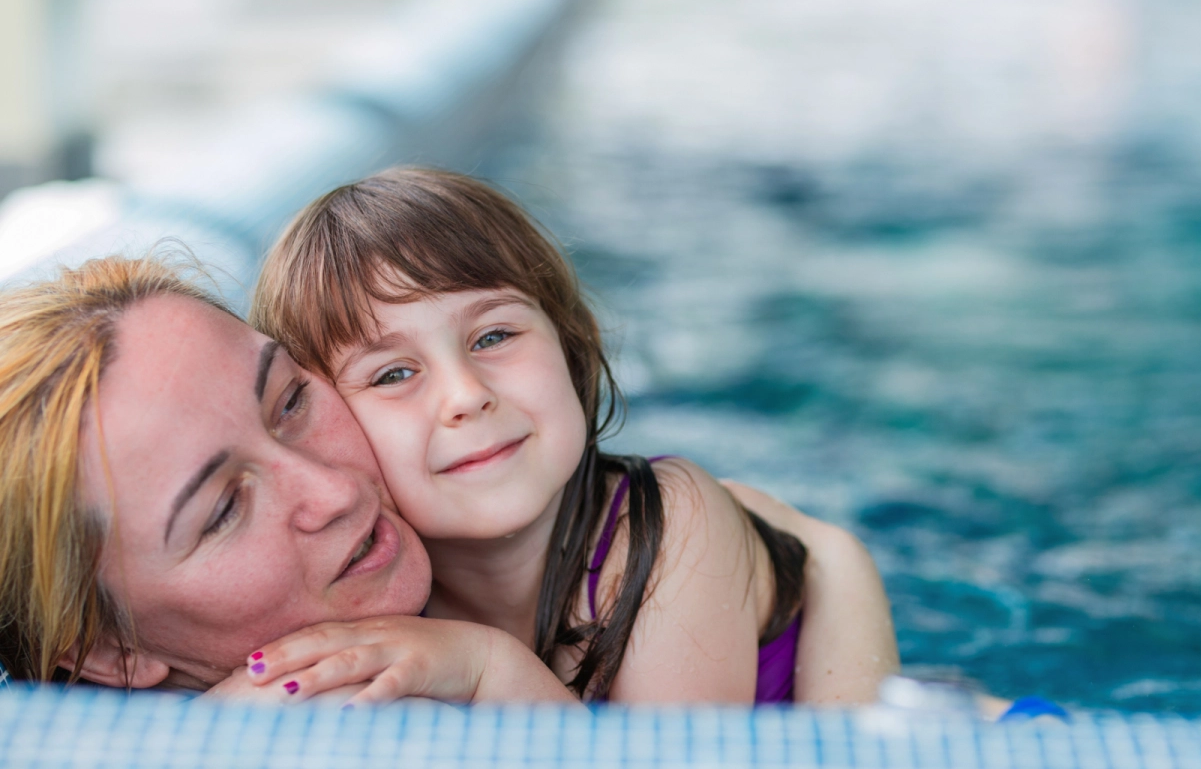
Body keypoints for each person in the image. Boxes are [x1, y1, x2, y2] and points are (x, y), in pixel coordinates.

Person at [0, 253, 897, 704]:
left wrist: (835, 568)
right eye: (225, 509)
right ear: (111, 654)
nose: (335, 491)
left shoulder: (467, 543)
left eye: (290, 402)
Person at [242, 168, 898, 705]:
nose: (466, 395)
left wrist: (486, 669)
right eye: (392, 374)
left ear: (570, 341)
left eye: (493, 336)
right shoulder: (372, 589)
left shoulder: (664, 524)